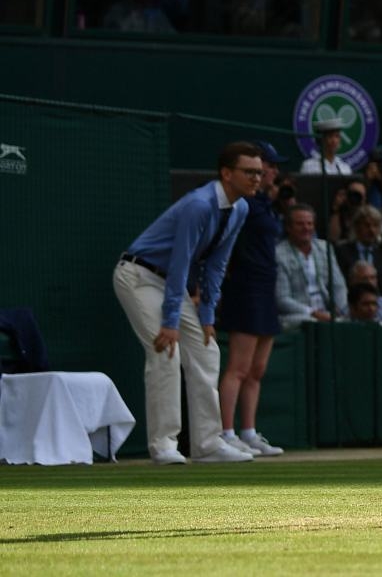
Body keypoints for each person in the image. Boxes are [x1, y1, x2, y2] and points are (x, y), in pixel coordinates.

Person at [112, 143, 261, 464]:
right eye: (249, 172)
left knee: (207, 350)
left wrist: (207, 313)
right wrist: (169, 320)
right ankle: (164, 445)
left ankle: (208, 444)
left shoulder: (241, 209)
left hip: (169, 284)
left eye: (259, 173)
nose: (256, 179)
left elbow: (218, 264)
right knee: (166, 351)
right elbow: (181, 262)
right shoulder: (199, 205)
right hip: (139, 276)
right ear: (226, 173)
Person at [216, 141, 289, 458]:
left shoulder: (264, 204)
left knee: (257, 369)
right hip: (245, 288)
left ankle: (247, 432)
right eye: (265, 168)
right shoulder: (243, 205)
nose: (270, 173)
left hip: (266, 288)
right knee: (238, 368)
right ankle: (226, 433)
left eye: (269, 168)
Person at [274, 203, 348, 329]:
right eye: (300, 224)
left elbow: (338, 285)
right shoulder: (278, 253)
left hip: (328, 312)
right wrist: (313, 312)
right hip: (299, 315)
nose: (306, 228)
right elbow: (282, 299)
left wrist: (339, 309)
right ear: (288, 227)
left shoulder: (325, 248)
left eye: (309, 223)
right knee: (310, 322)